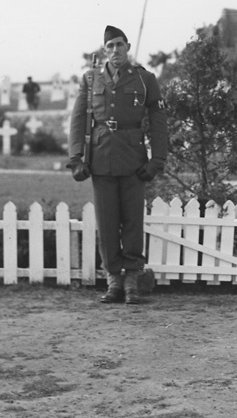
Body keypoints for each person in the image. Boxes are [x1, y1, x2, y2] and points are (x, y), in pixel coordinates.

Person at [67, 25, 168, 305]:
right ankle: (113, 281)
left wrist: (157, 160)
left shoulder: (145, 79)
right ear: (104, 50)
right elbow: (78, 119)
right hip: (101, 159)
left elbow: (158, 121)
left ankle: (133, 281)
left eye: (119, 45)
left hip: (134, 160)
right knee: (107, 223)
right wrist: (76, 158)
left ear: (128, 47)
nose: (114, 51)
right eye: (109, 46)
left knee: (133, 221)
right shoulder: (91, 80)